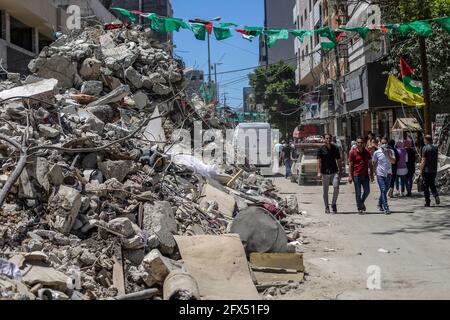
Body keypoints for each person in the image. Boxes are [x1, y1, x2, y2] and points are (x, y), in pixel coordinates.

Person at [348, 136, 375, 214]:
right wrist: (350, 176)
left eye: (361, 142)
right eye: (358, 142)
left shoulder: (367, 152)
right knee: (358, 192)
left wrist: (372, 174)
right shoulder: (352, 153)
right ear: (356, 143)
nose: (359, 144)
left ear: (364, 143)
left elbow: (370, 164)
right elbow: (350, 165)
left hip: (365, 175)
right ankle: (359, 208)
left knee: (367, 191)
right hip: (356, 175)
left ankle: (361, 202)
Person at [317, 133, 342, 214]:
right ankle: (326, 206)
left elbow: (338, 160)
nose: (328, 140)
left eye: (329, 138)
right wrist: (319, 172)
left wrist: (340, 170)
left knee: (336, 187)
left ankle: (333, 203)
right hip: (324, 172)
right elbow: (319, 161)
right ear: (324, 139)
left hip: (334, 171)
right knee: (325, 191)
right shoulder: (321, 149)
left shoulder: (335, 148)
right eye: (326, 138)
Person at [372, 137, 396, 214]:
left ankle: (379, 203)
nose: (384, 144)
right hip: (380, 174)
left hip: (388, 174)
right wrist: (373, 172)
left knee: (385, 190)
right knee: (382, 189)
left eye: (385, 143)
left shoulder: (391, 151)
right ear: (380, 143)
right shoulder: (377, 153)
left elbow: (393, 162)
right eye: (382, 143)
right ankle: (386, 208)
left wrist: (388, 155)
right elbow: (374, 162)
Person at [420, 134, 440, 207]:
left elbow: (423, 160)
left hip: (426, 170)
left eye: (424, 139)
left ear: (426, 140)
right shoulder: (435, 147)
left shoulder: (425, 148)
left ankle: (427, 202)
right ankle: (436, 195)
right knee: (432, 184)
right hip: (434, 169)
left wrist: (421, 170)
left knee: (426, 186)